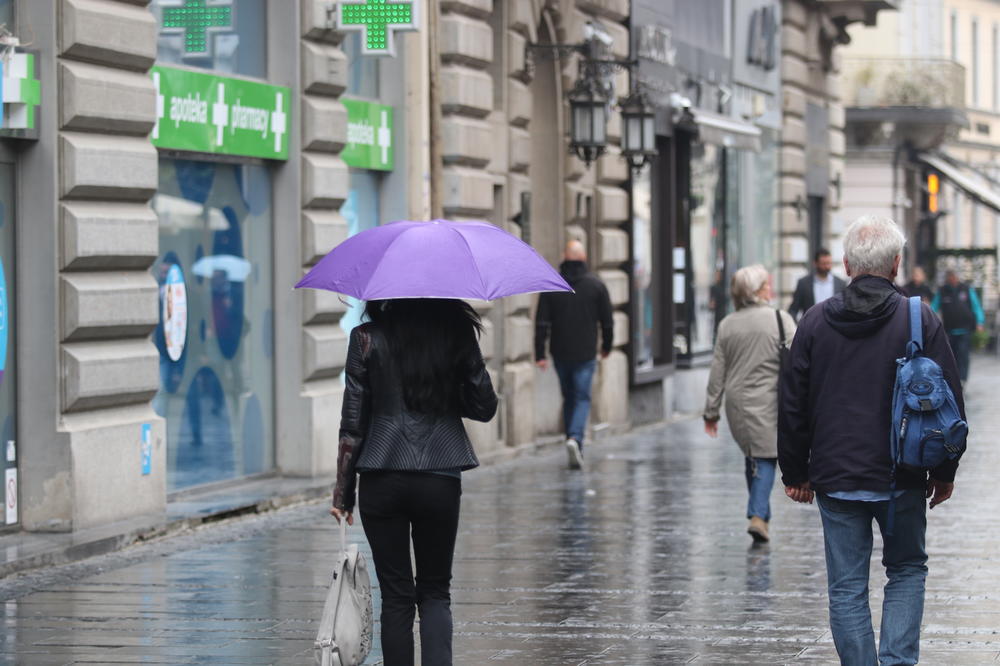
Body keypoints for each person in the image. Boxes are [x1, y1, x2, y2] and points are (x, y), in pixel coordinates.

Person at [779, 215, 964, 666]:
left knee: (846, 587)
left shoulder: (815, 322)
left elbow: (791, 403)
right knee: (905, 569)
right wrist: (943, 472)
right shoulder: (919, 317)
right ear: (897, 264)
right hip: (901, 472)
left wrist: (795, 472)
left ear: (845, 264)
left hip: (836, 475)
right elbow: (950, 402)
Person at [329, 298, 498, 666]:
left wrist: (343, 494)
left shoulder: (364, 338)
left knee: (396, 595)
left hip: (381, 474)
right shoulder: (455, 332)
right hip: (439, 474)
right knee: (436, 592)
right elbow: (484, 407)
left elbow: (353, 422)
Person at [704, 265, 795, 543]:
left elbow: (717, 371)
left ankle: (762, 519)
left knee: (754, 455)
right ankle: (757, 515)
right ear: (757, 291)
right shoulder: (781, 319)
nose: (770, 288)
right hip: (770, 400)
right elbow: (801, 361)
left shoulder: (727, 324)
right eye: (766, 284)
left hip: (737, 405)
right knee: (766, 457)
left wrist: (711, 411)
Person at [535, 240, 613, 470]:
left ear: (563, 256)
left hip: (560, 352)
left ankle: (572, 437)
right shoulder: (596, 285)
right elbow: (607, 322)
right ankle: (575, 439)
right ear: (584, 257)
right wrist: (607, 346)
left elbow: (541, 323)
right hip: (586, 352)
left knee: (570, 397)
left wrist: (540, 353)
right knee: (581, 397)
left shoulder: (552, 285)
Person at [932, 269, 984, 384]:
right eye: (950, 277)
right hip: (949, 330)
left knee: (963, 355)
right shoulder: (942, 290)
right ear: (948, 278)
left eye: (954, 276)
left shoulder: (966, 289)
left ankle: (963, 379)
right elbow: (933, 307)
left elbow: (976, 306)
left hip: (965, 329)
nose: (953, 279)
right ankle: (953, 379)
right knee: (952, 356)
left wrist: (980, 321)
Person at [788, 248, 847, 320]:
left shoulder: (840, 284)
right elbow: (793, 310)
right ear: (815, 263)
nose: (827, 267)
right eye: (823, 264)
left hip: (834, 329)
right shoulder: (803, 284)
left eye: (829, 263)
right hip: (810, 328)